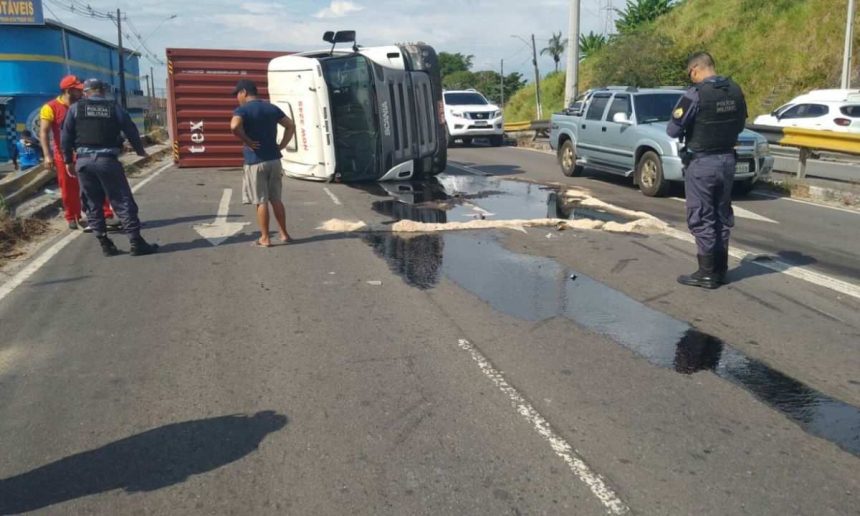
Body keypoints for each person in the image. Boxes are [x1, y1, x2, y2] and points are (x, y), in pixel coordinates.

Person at [667, 52, 747, 289]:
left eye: (690, 74)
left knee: (701, 216)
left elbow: (673, 129)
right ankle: (721, 270)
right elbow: (741, 123)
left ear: (695, 70)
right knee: (722, 215)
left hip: (703, 163)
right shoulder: (734, 90)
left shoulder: (696, 94)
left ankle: (707, 273)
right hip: (728, 161)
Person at [61, 78, 159, 257]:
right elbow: (130, 129)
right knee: (122, 200)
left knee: (91, 202)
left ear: (86, 92)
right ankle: (136, 242)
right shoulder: (113, 107)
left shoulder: (76, 109)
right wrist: (140, 151)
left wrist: (68, 161)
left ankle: (105, 243)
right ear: (103, 91)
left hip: (83, 162)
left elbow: (66, 137)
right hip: (107, 161)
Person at [39, 75, 116, 231]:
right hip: (63, 155)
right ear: (69, 91)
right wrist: (47, 156)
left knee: (98, 185)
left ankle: (106, 214)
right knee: (69, 189)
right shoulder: (50, 108)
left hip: (86, 152)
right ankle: (72, 216)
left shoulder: (84, 105)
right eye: (78, 90)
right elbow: (44, 132)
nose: (82, 93)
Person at [229, 79, 296, 247]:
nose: (237, 98)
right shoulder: (271, 108)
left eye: (237, 94)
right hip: (274, 160)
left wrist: (247, 141)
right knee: (276, 199)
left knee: (261, 200)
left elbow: (234, 126)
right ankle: (284, 234)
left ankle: (265, 238)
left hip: (255, 161)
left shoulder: (242, 110)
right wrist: (282, 145)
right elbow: (290, 125)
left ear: (244, 92)